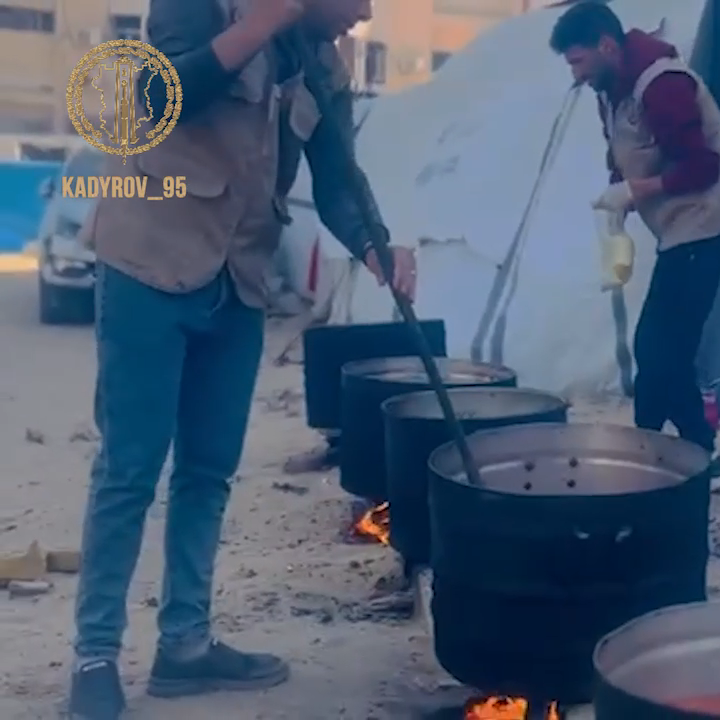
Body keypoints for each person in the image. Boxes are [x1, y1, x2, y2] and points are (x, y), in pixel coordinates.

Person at [68, 0, 416, 717]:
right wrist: (257, 26)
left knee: (208, 471)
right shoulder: (201, 6)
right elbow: (158, 96)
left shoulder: (322, 65)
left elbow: (337, 175)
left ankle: (185, 645)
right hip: (148, 262)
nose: (364, 14)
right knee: (130, 469)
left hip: (239, 278)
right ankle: (94, 655)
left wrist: (376, 242)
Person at [549, 1, 720, 477]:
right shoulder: (609, 88)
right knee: (659, 348)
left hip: (707, 222)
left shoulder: (663, 85)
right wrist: (618, 199)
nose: (575, 74)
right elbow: (622, 150)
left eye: (578, 61)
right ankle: (654, 450)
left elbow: (703, 167)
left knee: (662, 350)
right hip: (676, 228)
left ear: (606, 46)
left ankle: (687, 454)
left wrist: (636, 190)